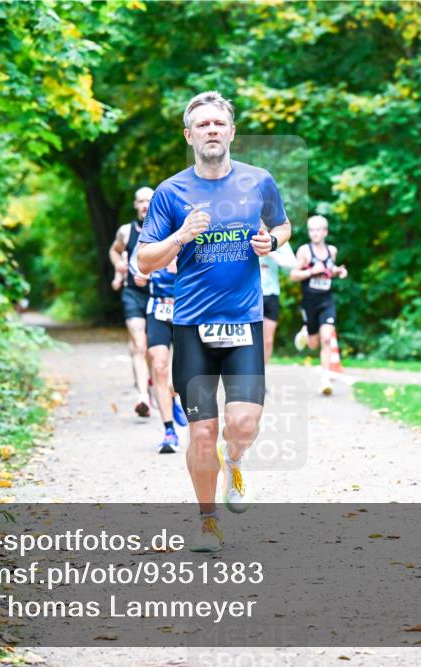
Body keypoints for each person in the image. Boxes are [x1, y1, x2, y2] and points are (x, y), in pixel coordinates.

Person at [137, 91, 291, 552]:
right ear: (189, 135)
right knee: (202, 431)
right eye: (201, 124)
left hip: (243, 321)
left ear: (231, 131)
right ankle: (208, 522)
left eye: (217, 124)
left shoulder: (258, 182)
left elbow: (282, 226)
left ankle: (236, 460)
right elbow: (145, 260)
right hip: (191, 326)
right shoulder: (171, 192)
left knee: (241, 425)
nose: (210, 130)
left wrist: (272, 242)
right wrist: (181, 236)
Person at [135, 254, 189, 453]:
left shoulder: (196, 229)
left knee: (182, 376)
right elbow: (139, 267)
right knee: (159, 366)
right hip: (158, 308)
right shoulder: (154, 233)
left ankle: (173, 395)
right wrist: (143, 272)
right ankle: (169, 431)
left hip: (187, 309)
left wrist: (184, 265)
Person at [109, 186, 155, 417]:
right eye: (141, 201)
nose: (145, 205)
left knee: (153, 348)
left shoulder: (165, 230)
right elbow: (114, 251)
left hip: (158, 294)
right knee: (139, 344)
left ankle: (150, 380)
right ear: (135, 205)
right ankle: (143, 397)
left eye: (149, 200)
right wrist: (118, 264)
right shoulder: (126, 232)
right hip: (133, 294)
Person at [290, 215, 348, 395]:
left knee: (326, 338)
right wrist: (310, 272)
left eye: (318, 229)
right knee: (313, 344)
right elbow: (293, 275)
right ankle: (306, 332)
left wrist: (338, 271)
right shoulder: (304, 252)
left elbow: (330, 270)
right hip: (310, 302)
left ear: (325, 232)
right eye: (311, 230)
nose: (315, 233)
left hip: (326, 300)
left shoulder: (332, 251)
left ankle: (325, 378)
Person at [259, 223, 297, 364]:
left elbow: (292, 264)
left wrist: (270, 250)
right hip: (252, 296)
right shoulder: (246, 237)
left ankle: (261, 378)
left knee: (268, 341)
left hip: (272, 294)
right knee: (251, 341)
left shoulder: (275, 240)